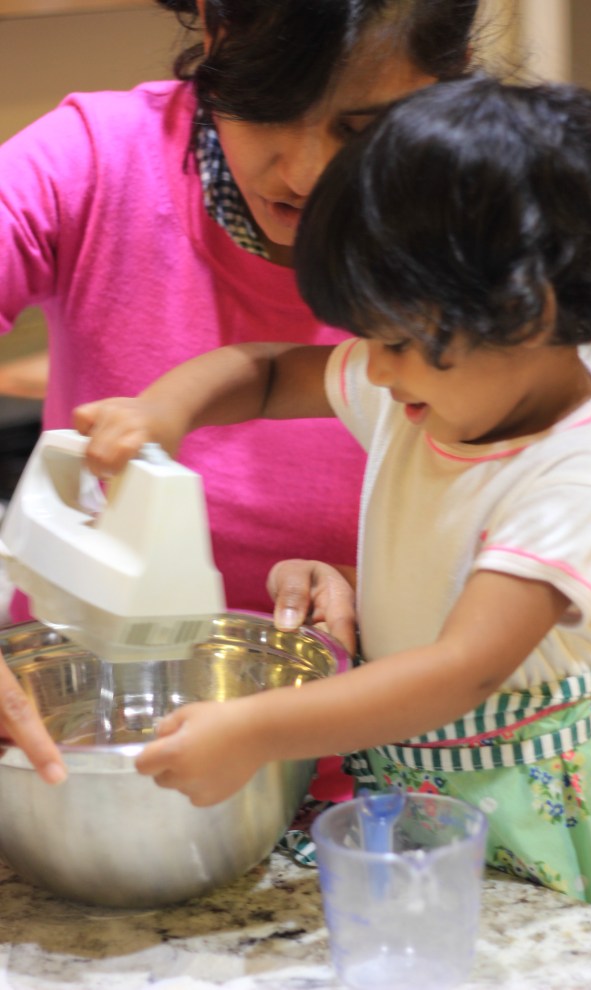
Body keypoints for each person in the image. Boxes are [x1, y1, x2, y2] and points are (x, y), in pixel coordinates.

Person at [74, 73, 591, 922]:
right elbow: (270, 370)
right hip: (424, 790)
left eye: (395, 340)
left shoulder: (572, 477)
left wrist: (256, 730)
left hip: (539, 820)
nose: (373, 371)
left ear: (527, 312)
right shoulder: (432, 383)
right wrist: (163, 409)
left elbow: (463, 669)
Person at [0, 0, 480, 774]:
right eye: (270, 108)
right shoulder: (93, 160)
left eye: (359, 131)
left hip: (385, 781)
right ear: (214, 28)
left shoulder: (482, 219)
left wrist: (386, 591)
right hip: (78, 753)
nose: (302, 174)